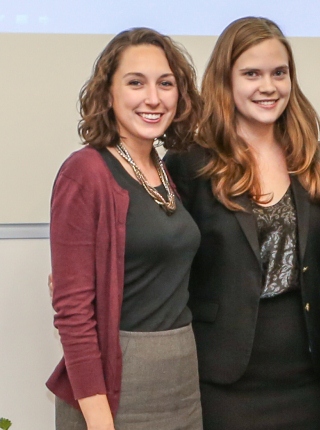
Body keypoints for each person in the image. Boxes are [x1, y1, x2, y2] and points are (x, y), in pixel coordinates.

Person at [163, 17, 320, 429]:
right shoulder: (191, 162)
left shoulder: (315, 158)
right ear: (226, 80)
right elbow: (170, 263)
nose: (268, 86)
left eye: (280, 73)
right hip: (224, 379)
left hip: (308, 375)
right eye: (252, 74)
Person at [47, 28, 203, 429]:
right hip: (118, 385)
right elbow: (74, 314)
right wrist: (101, 422)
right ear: (108, 93)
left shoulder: (164, 171)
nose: (153, 98)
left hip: (181, 379)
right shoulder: (85, 172)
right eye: (136, 83)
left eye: (165, 84)